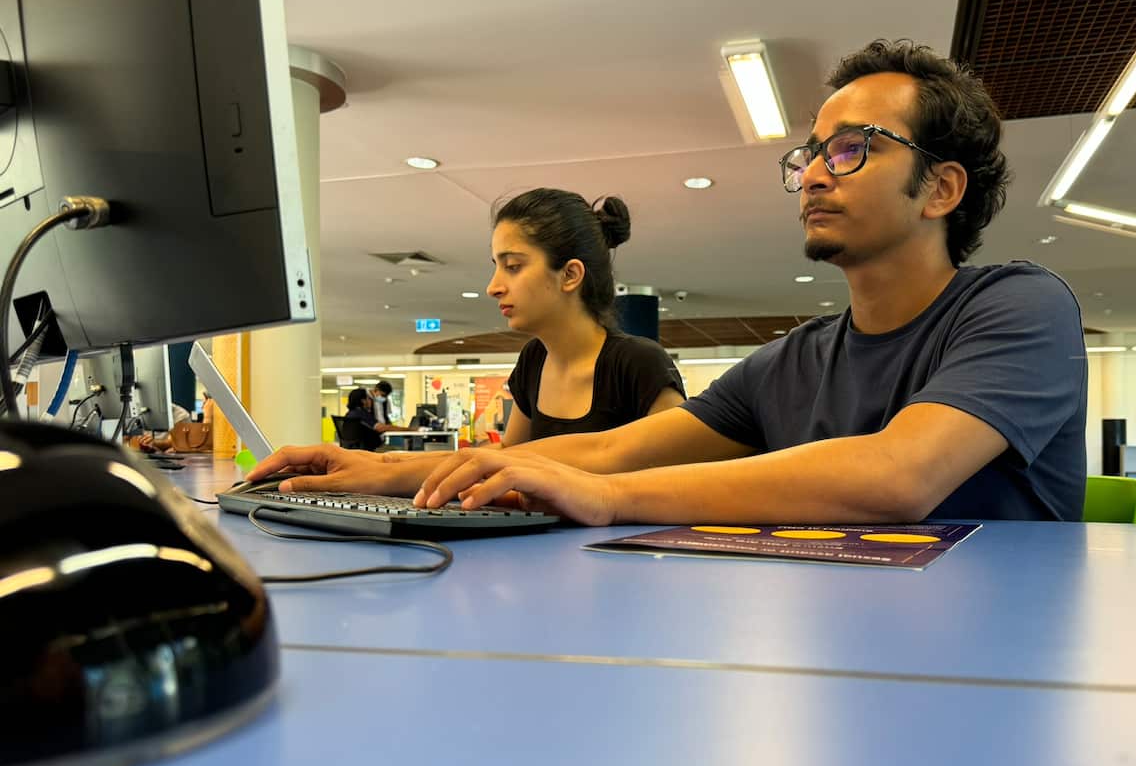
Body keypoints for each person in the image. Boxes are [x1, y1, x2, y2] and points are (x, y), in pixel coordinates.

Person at [249, 40, 1086, 524]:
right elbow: (606, 449)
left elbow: (898, 477)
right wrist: (360, 469)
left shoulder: (1019, 306)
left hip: (989, 679)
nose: (813, 176)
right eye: (810, 154)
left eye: (851, 147)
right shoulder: (791, 362)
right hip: (845, 653)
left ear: (942, 188)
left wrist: (610, 499)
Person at [484, 188, 685, 446]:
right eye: (497, 266)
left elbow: (676, 473)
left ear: (569, 275)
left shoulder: (638, 365)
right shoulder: (533, 359)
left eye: (513, 266)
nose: (493, 287)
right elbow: (511, 461)